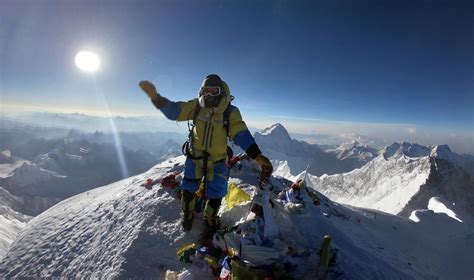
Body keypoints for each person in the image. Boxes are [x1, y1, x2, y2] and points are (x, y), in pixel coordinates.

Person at [139, 74, 273, 232]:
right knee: (188, 188)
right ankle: (187, 214)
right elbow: (174, 111)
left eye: (213, 91)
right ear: (201, 92)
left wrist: (257, 156)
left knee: (216, 193)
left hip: (217, 161)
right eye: (205, 91)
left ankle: (210, 218)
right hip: (195, 157)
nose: (208, 95)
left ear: (221, 92)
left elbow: (240, 133)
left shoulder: (229, 112)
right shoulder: (196, 106)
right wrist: (155, 97)